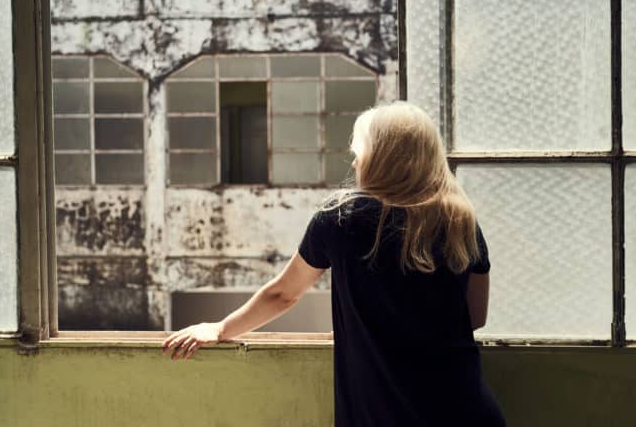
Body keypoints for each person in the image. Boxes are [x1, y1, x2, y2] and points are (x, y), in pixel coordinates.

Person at [161, 101, 506, 426]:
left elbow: (284, 294)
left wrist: (220, 329)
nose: (355, 163)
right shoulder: (459, 218)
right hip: (466, 410)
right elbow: (475, 316)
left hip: (384, 415)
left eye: (360, 153)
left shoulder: (344, 217)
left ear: (380, 159)